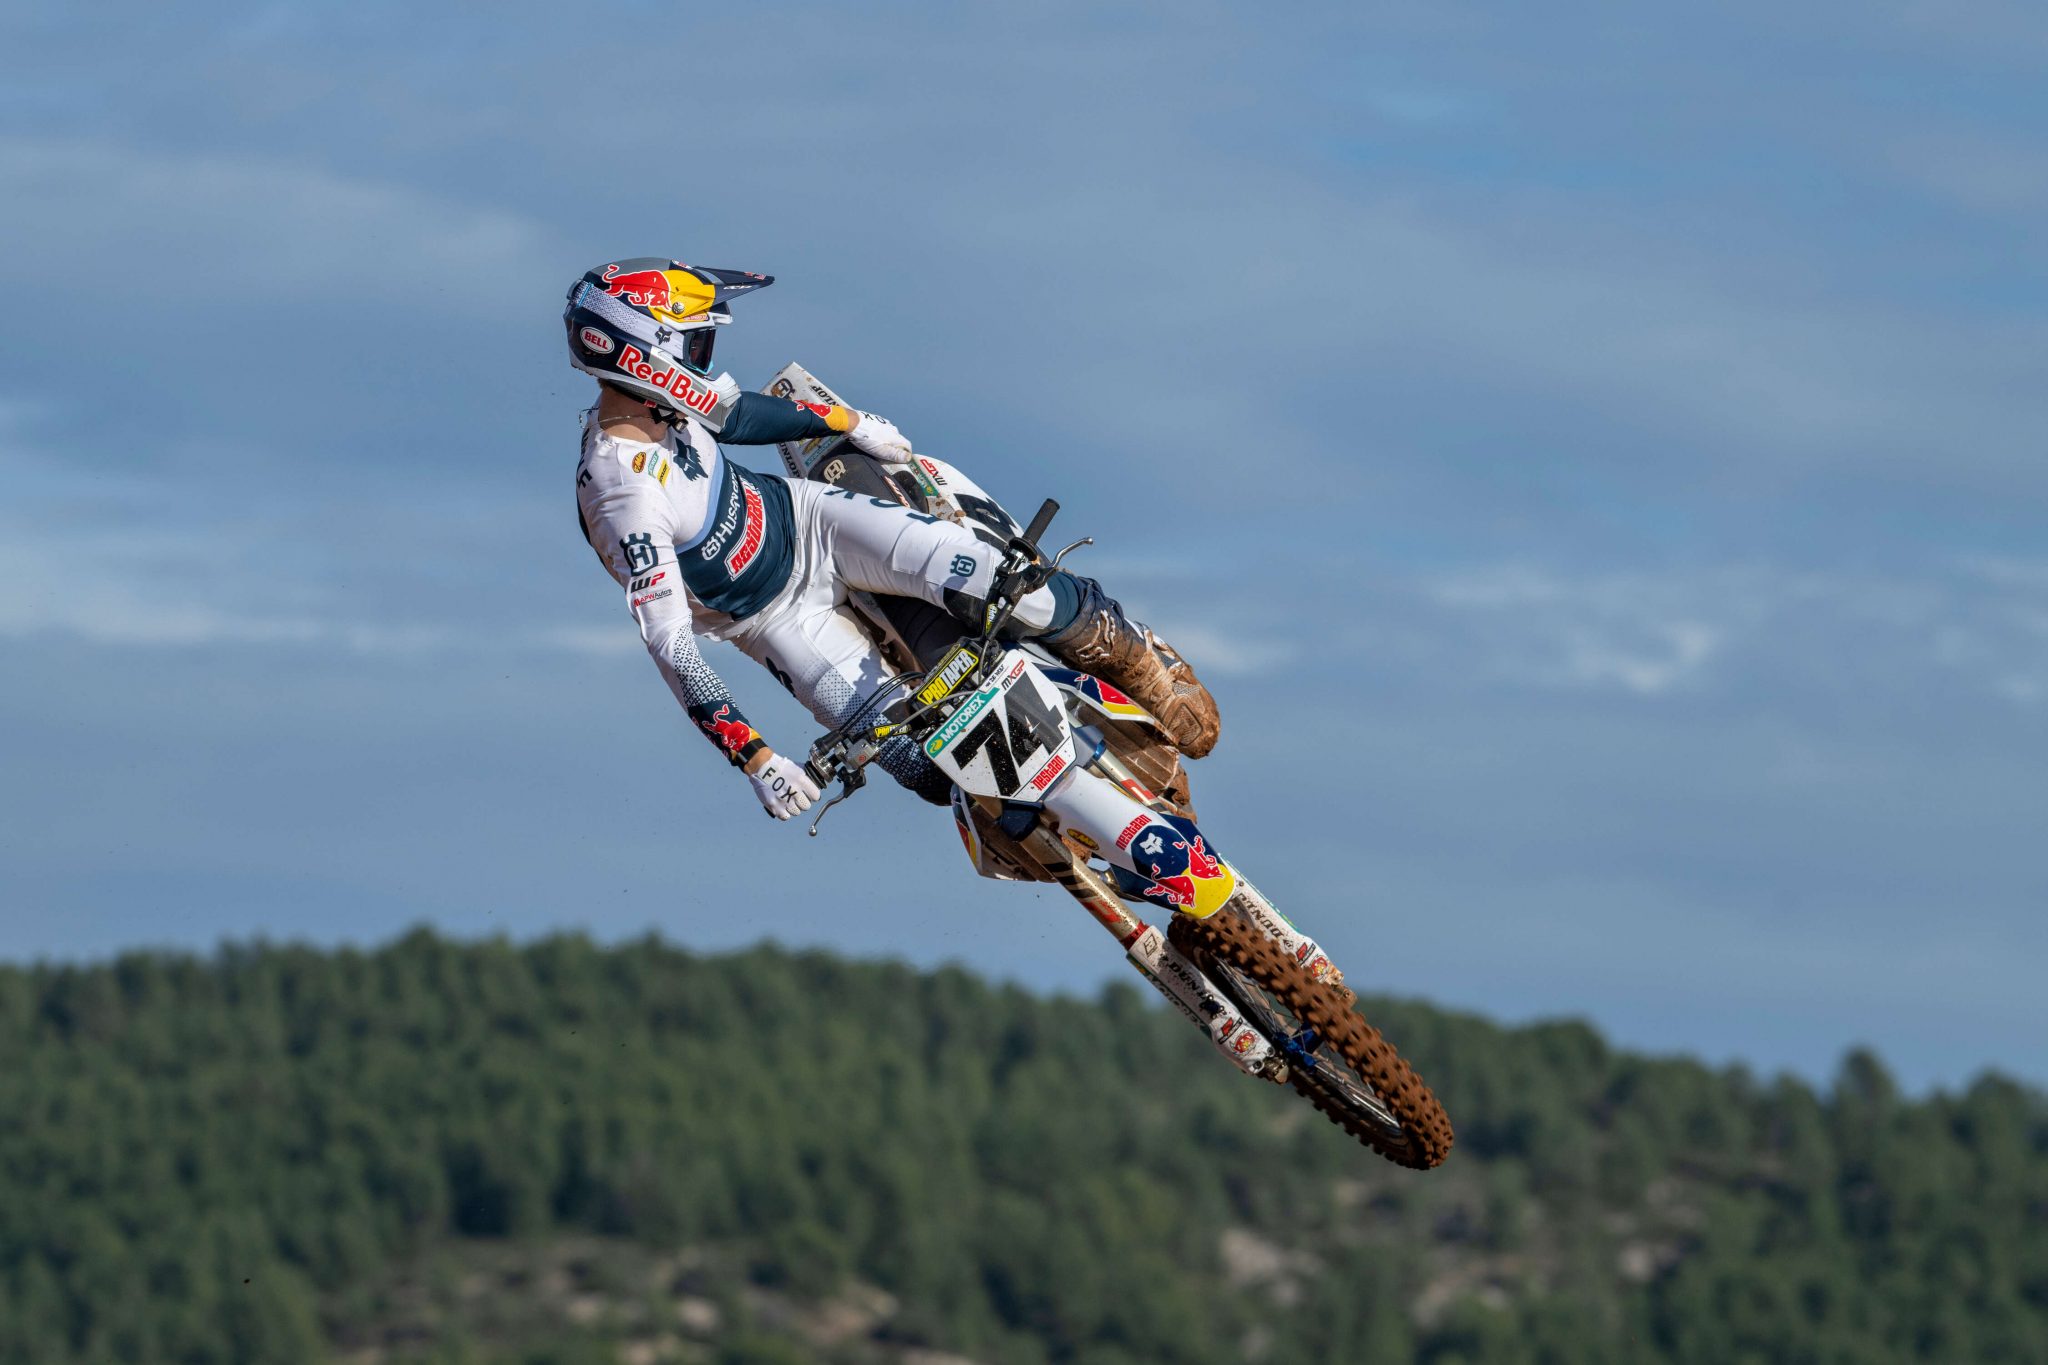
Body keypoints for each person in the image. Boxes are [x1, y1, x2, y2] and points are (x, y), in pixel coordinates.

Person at [566, 259, 1219, 820]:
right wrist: (757, 759)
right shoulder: (623, 498)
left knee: (1010, 586)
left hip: (812, 522)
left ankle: (1134, 654)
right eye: (696, 346)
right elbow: (672, 646)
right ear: (646, 359)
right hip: (774, 619)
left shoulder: (662, 399)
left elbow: (735, 416)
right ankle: (1078, 827)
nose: (706, 362)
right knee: (928, 773)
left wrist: (851, 422)